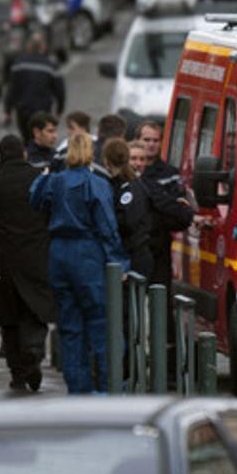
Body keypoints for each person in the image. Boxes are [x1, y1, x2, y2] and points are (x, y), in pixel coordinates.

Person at [29, 132, 129, 394]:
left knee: (70, 325)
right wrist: (119, 261)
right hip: (87, 253)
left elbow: (35, 200)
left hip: (59, 252)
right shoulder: (96, 184)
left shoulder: (54, 181)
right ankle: (107, 386)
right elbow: (107, 227)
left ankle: (78, 388)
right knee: (100, 322)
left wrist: (47, 174)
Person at [0, 135, 56, 393]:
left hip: (4, 258)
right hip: (36, 255)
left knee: (9, 317)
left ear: (0, 156)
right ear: (23, 154)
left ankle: (17, 371)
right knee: (35, 310)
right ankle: (33, 355)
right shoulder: (39, 177)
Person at [137, 121, 194, 289]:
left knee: (161, 301)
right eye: (146, 140)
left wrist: (154, 208)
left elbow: (182, 214)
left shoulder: (170, 173)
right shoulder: (130, 171)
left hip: (160, 246)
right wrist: (165, 202)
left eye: (155, 140)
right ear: (137, 140)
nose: (151, 144)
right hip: (135, 247)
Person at [102, 137, 153, 278]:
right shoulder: (118, 184)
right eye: (134, 158)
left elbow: (128, 221)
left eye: (142, 159)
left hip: (134, 255)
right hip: (129, 252)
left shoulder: (130, 187)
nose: (138, 163)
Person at [5, 33, 65, 142]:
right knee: (40, 141)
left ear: (28, 46)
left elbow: (12, 89)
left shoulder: (18, 64)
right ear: (43, 47)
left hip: (23, 111)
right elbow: (59, 90)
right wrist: (60, 109)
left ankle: (28, 156)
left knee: (27, 140)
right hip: (42, 111)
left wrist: (7, 111)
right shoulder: (50, 65)